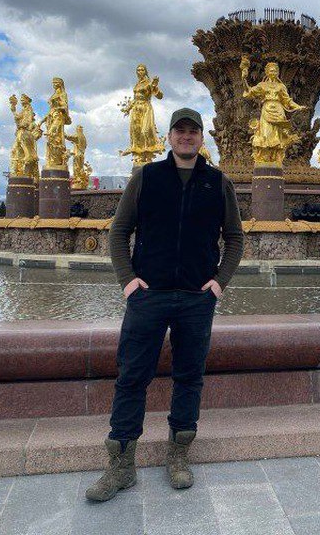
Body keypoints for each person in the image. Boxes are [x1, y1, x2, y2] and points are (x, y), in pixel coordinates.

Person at [85, 107, 244, 502]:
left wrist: (218, 283)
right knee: (132, 376)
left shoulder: (217, 182)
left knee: (189, 376)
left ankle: (178, 456)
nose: (186, 137)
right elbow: (119, 232)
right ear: (169, 137)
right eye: (180, 131)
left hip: (196, 298)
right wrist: (128, 281)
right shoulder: (146, 177)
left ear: (201, 138)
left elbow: (235, 238)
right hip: (148, 296)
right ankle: (121, 465)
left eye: (193, 131)